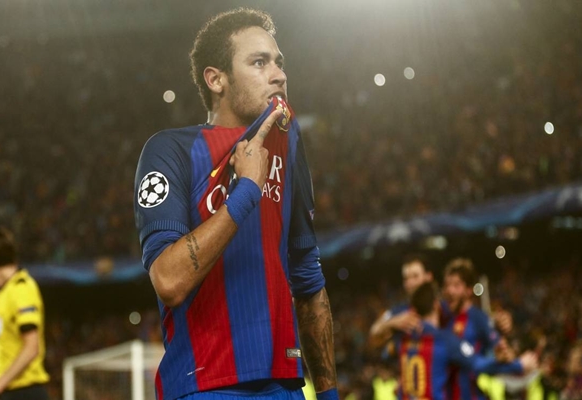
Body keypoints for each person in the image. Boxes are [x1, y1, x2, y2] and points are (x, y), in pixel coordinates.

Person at [133, 8, 337, 400]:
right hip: (205, 387)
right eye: (259, 62)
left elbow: (308, 278)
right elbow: (169, 280)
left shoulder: (288, 145)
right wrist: (245, 191)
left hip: (286, 387)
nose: (278, 74)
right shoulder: (169, 150)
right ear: (216, 80)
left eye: (279, 62)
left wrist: (328, 394)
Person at [394, 282, 537, 400]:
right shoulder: (444, 340)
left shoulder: (403, 340)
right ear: (436, 305)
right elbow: (477, 364)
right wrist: (519, 365)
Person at [0, 226, 50, 400]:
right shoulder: (5, 292)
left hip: (25, 391)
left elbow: (31, 347)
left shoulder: (22, 289)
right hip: (11, 390)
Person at [442, 258, 505, 400]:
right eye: (447, 285)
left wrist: (505, 353)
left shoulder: (479, 319)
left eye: (456, 285)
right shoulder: (442, 317)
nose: (449, 290)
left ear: (468, 290)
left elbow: (500, 350)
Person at [368, 254, 433, 349]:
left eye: (415, 276)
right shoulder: (400, 311)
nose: (410, 283)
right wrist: (393, 322)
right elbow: (374, 331)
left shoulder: (443, 307)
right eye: (406, 278)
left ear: (428, 277)